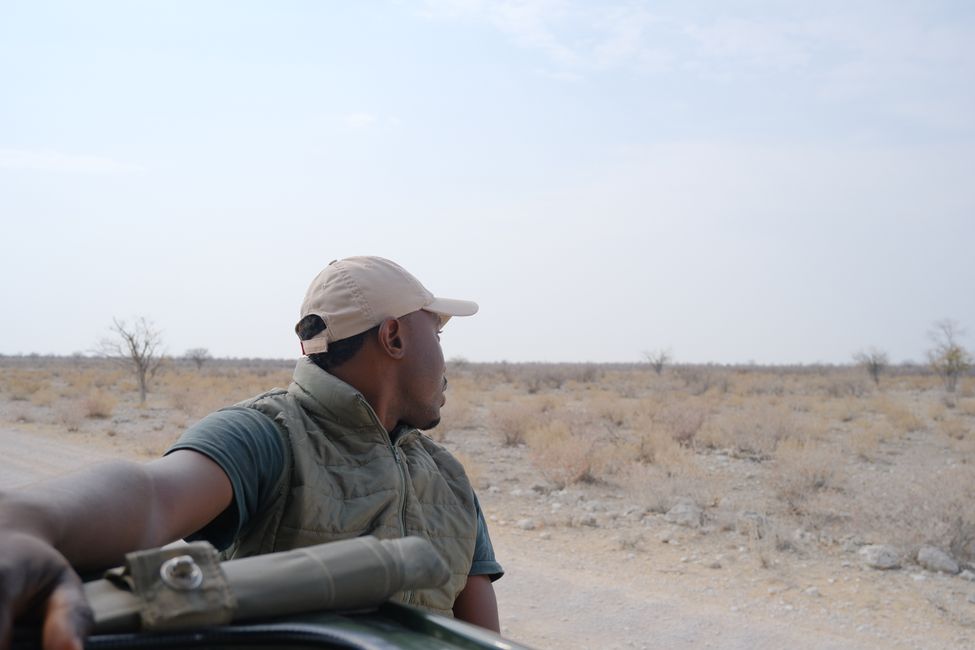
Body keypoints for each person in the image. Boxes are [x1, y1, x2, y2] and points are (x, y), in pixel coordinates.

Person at [0, 256, 502, 650]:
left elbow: (480, 637)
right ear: (393, 336)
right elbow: (152, 495)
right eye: (435, 333)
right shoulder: (267, 435)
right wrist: (26, 523)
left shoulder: (448, 475)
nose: (445, 358)